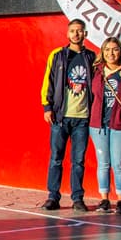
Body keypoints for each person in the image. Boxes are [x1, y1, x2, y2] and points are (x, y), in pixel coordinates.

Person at [40, 19, 96, 211]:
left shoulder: (91, 57)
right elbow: (48, 81)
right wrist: (47, 107)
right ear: (67, 33)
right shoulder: (57, 55)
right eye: (72, 30)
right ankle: (53, 197)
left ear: (85, 33)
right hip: (60, 117)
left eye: (79, 31)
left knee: (78, 161)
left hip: (83, 118)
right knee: (56, 158)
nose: (76, 34)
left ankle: (77, 198)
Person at [88, 37, 121, 214]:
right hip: (98, 124)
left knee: (118, 164)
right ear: (102, 52)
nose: (111, 53)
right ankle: (104, 199)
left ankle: (120, 201)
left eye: (115, 49)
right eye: (107, 50)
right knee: (103, 163)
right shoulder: (97, 71)